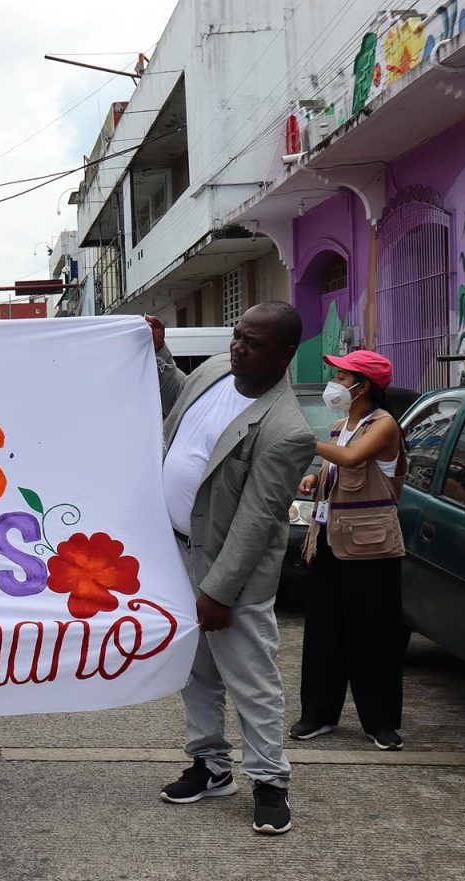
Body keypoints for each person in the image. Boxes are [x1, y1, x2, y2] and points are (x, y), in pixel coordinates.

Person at [147, 305, 317, 835]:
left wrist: (218, 592)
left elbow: (257, 521)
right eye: (238, 337)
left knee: (251, 680)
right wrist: (157, 354)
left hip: (227, 575)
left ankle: (270, 782)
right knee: (194, 671)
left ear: (286, 354)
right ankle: (210, 765)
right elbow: (175, 399)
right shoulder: (217, 369)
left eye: (255, 344)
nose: (240, 348)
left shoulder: (287, 429)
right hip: (176, 553)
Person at [291, 350, 407, 751]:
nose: (334, 385)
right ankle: (318, 716)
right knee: (324, 634)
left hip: (371, 551)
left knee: (372, 635)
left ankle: (381, 723)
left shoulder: (384, 425)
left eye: (342, 378)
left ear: (364, 387)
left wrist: (306, 441)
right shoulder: (342, 425)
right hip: (328, 544)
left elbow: (353, 458)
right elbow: (336, 466)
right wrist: (311, 478)